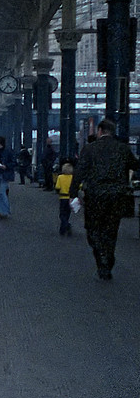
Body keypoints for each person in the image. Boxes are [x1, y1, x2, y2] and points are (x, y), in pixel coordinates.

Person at [68, 119, 139, 280]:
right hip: (117, 196)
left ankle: (102, 260)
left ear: (99, 131)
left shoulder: (89, 149)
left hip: (95, 195)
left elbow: (79, 172)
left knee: (93, 229)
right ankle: (108, 260)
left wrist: (73, 194)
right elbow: (136, 165)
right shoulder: (123, 149)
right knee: (111, 229)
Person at [54, 162, 74, 236]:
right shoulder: (72, 177)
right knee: (67, 213)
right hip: (70, 198)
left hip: (62, 197)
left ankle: (65, 226)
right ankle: (66, 226)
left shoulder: (60, 177)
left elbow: (57, 187)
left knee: (62, 214)